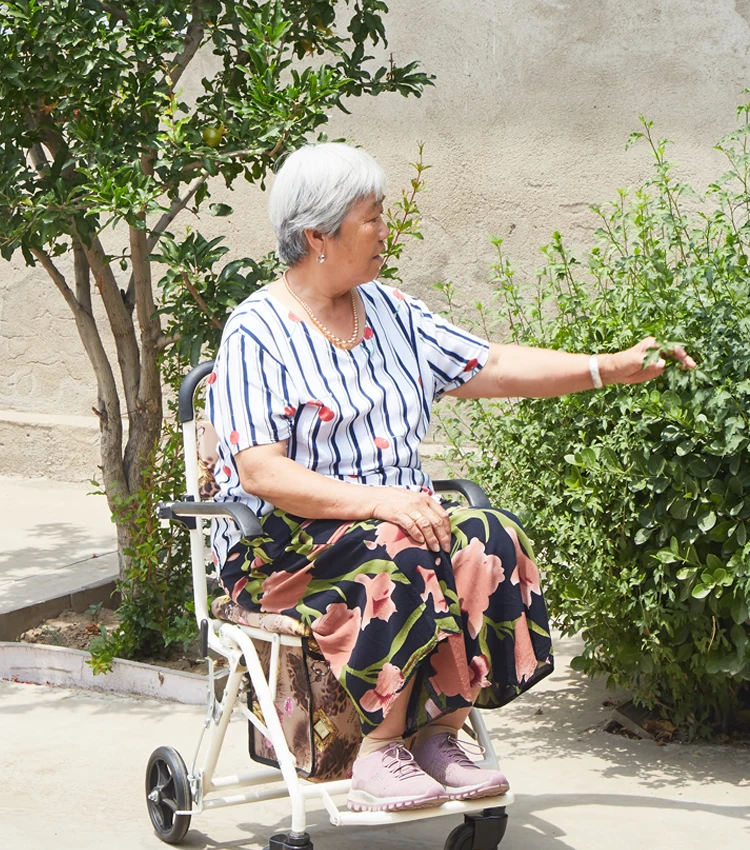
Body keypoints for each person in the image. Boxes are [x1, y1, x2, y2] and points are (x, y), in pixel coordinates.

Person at [207, 143, 695, 813]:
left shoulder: (391, 311)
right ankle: (380, 749)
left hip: (394, 520)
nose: (385, 230)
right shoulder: (256, 332)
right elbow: (261, 470)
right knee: (401, 546)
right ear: (318, 235)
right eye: (372, 217)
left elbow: (487, 365)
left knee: (488, 536)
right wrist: (380, 502)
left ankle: (442, 734)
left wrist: (604, 367)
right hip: (288, 544)